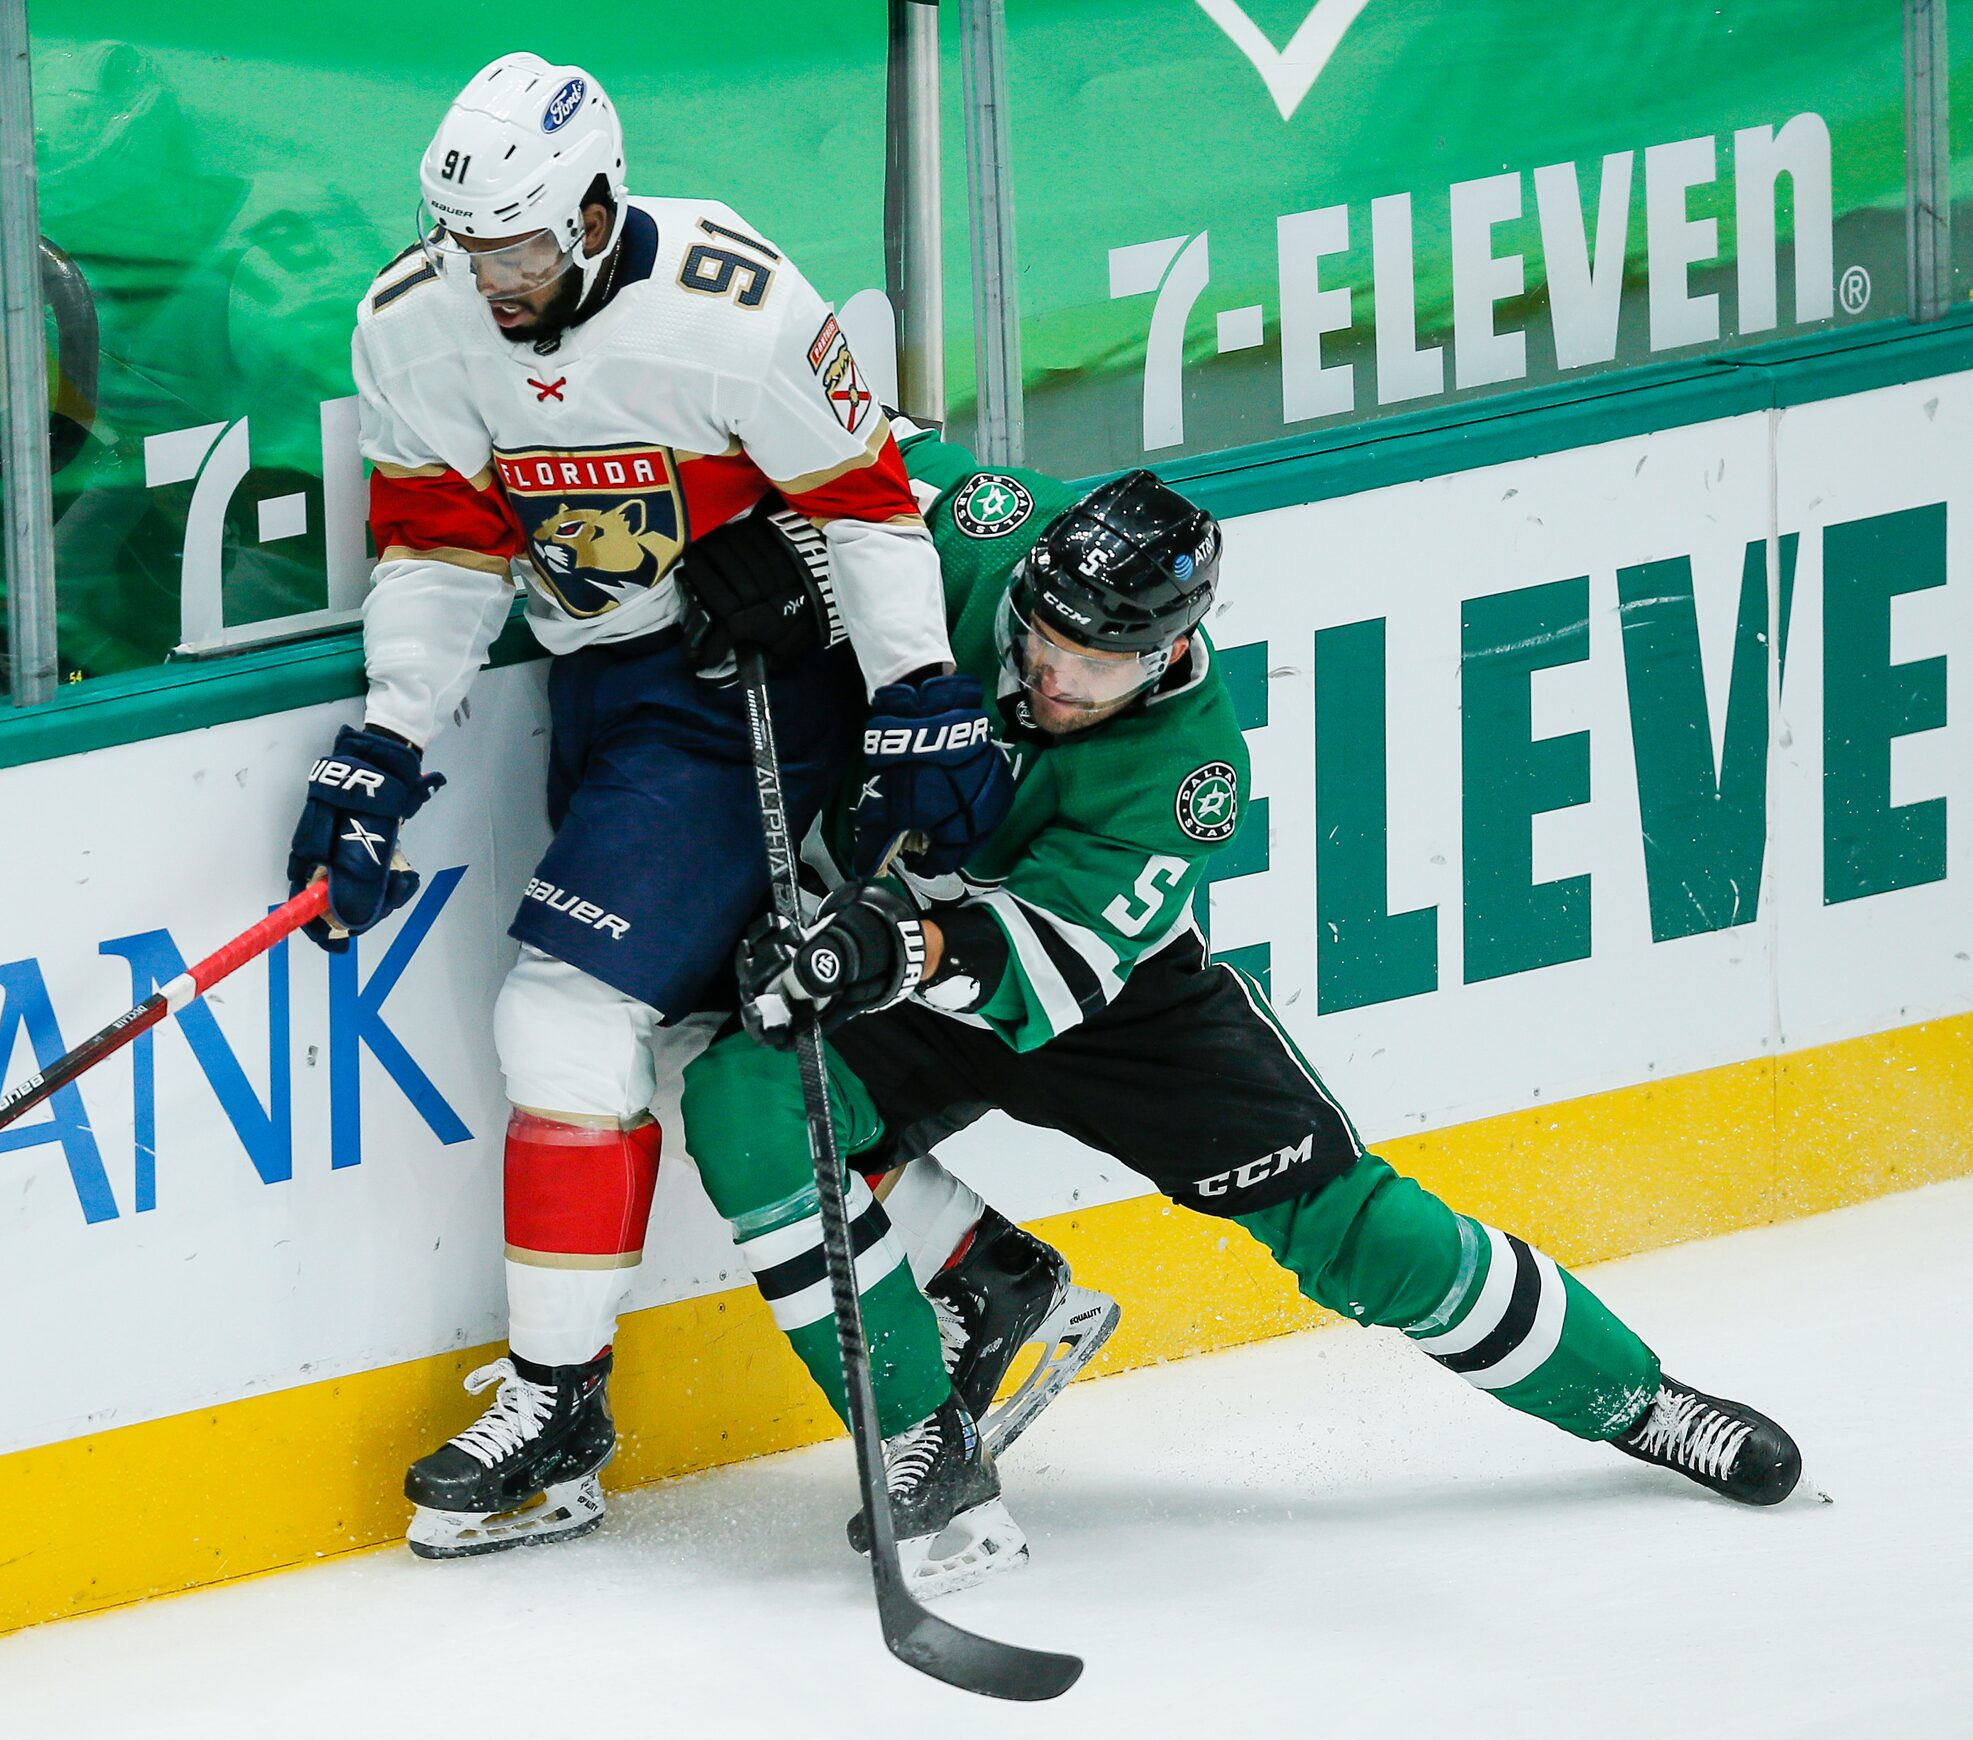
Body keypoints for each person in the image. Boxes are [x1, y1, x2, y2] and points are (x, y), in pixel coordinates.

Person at [674, 418, 1808, 1589]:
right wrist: (776, 547)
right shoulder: (988, 521)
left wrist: (887, 948)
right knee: (747, 1099)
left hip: (1110, 1004)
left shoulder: (1191, 767)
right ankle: (926, 1425)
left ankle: (1636, 1399)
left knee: (1351, 1229)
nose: (1051, 679)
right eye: (1040, 640)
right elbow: (833, 434)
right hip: (895, 954)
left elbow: (1043, 969)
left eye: (1096, 668)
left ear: (1166, 654)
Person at [284, 55, 1010, 1559]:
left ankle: (558, 1407)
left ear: (600, 206)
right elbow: (437, 550)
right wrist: (385, 742)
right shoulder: (412, 327)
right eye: (468, 250)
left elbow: (871, 508)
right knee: (684, 1029)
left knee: (563, 1013)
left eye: (525, 250)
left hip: (740, 691)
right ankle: (987, 1273)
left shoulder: (733, 310)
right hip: (601, 692)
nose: (493, 282)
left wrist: (916, 688)